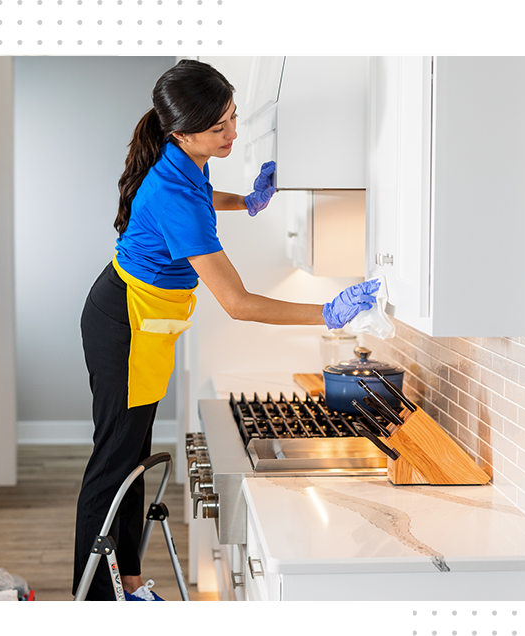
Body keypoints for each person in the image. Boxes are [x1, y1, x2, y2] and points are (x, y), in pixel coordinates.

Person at [72, 59, 380, 602]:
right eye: (219, 128)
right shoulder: (173, 192)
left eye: (233, 118)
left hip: (141, 317)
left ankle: (132, 583)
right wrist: (328, 312)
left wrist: (249, 202)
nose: (233, 134)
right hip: (124, 323)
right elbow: (238, 304)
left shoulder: (187, 161)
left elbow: (199, 197)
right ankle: (97, 595)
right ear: (181, 131)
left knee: (133, 455)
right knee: (113, 461)